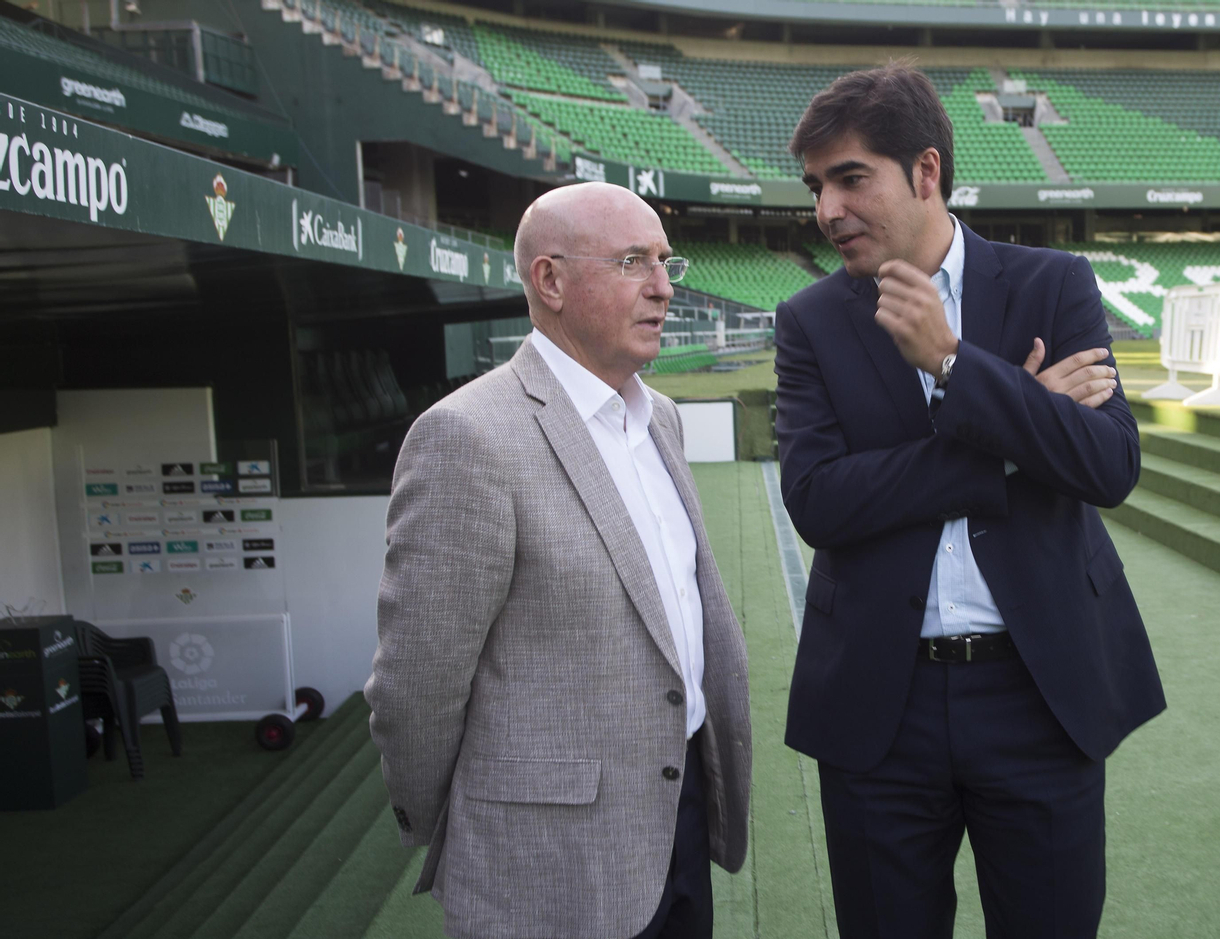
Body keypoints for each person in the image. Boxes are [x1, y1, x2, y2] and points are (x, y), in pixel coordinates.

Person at [775, 64, 1166, 938]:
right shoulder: (809, 320)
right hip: (881, 702)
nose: (826, 211)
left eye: (849, 178)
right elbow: (819, 502)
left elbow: (1108, 464)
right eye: (815, 187)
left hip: (1039, 694)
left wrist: (955, 366)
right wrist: (1012, 432)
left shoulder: (1050, 284)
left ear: (925, 172)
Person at [366, 182, 752, 939]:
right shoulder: (468, 437)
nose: (664, 287)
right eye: (633, 261)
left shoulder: (660, 417)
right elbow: (416, 683)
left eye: (666, 262)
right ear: (550, 280)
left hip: (678, 826)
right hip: (545, 859)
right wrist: (472, 820)